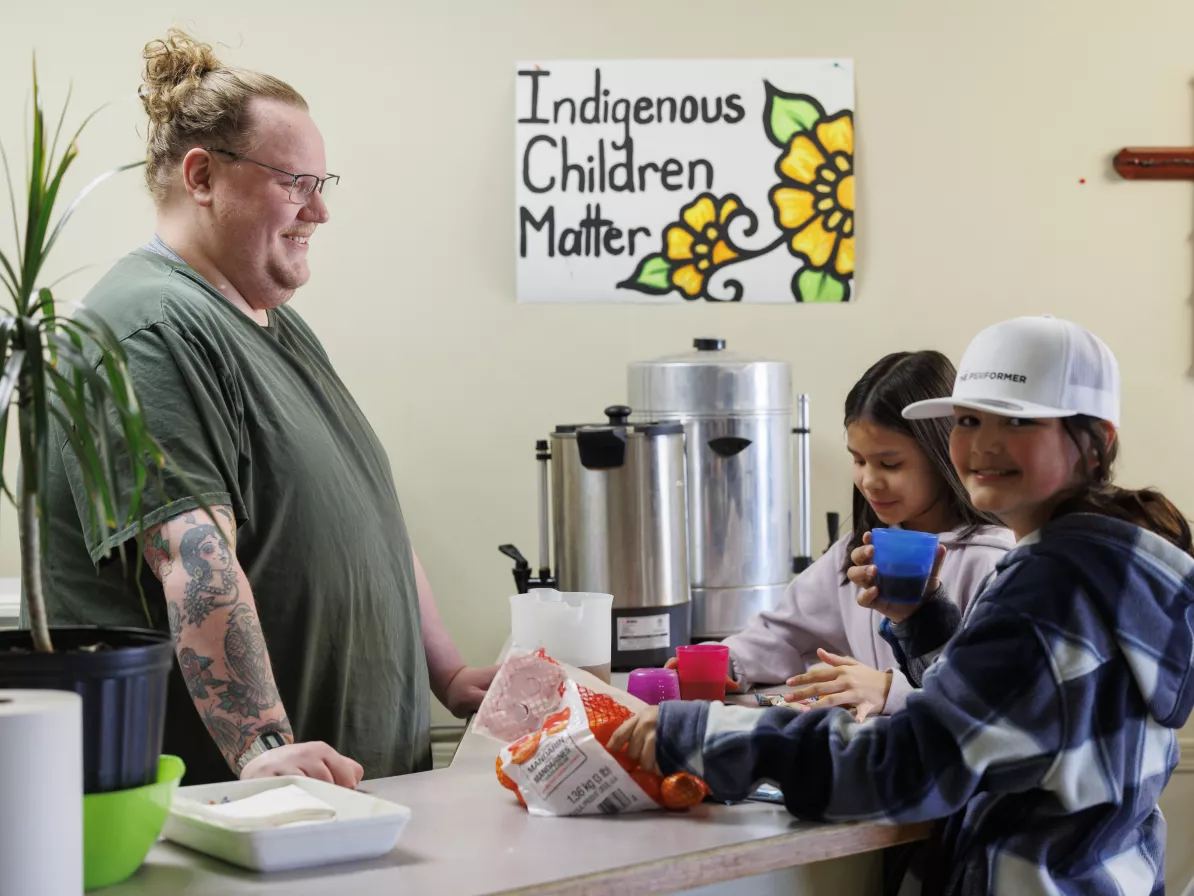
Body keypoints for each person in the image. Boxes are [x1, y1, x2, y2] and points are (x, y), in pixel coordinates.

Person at [35, 29, 494, 787]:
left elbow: (367, 513)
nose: (319, 212)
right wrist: (259, 745)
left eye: (324, 184)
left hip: (352, 797)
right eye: (294, 183)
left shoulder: (266, 320)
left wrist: (448, 674)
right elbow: (190, 556)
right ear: (203, 175)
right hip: (247, 813)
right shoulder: (148, 326)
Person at [613, 315, 1194, 896]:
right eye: (968, 419)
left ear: (1097, 444)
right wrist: (922, 621)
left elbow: (909, 767)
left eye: (1018, 420)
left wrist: (700, 733)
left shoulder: (1047, 586)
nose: (985, 444)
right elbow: (1000, 720)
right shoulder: (1106, 566)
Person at [669, 350, 1013, 721]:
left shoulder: (993, 561)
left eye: (890, 463)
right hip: (868, 751)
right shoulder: (858, 551)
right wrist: (729, 663)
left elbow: (985, 704)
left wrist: (887, 690)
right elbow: (784, 631)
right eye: (859, 460)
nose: (869, 480)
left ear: (945, 453)